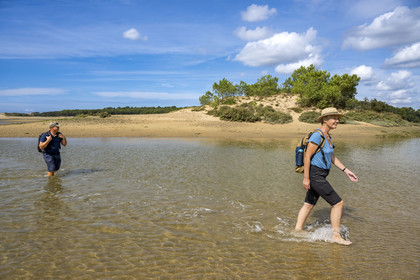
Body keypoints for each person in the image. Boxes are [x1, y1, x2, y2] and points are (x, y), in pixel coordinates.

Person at [295, 107, 358, 245]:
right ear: (325, 119)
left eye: (338, 118)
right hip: (315, 174)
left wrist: (346, 170)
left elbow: (332, 157)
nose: (337, 121)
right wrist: (306, 178)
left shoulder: (328, 136)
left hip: (321, 174)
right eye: (334, 118)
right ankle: (335, 236)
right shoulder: (317, 135)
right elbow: (307, 157)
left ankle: (297, 231)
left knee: (309, 204)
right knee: (337, 203)